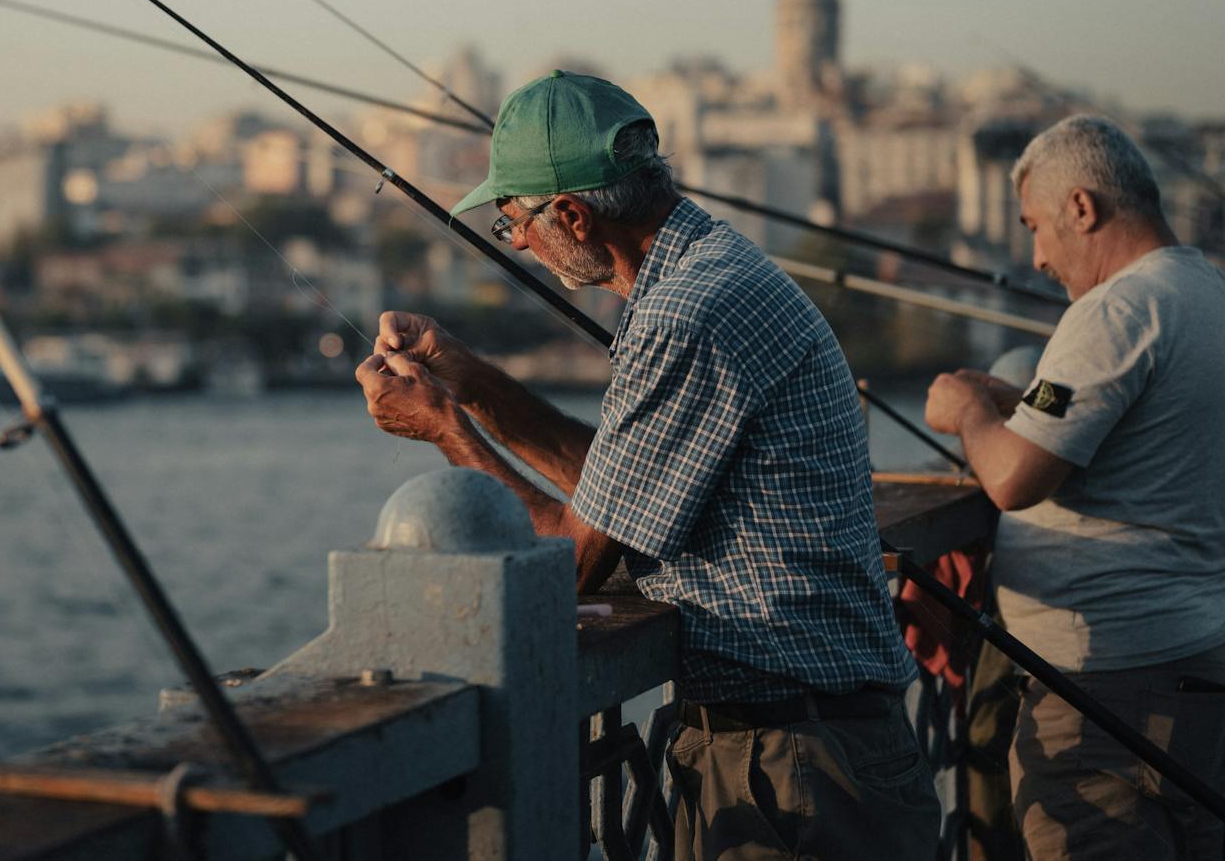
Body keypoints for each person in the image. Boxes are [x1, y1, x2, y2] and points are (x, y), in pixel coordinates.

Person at [355, 71, 939, 860]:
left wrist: (444, 428)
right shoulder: (714, 266)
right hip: (821, 748)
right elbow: (617, 486)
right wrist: (468, 377)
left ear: (572, 214)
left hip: (791, 772)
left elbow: (568, 560)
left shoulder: (686, 314)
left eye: (513, 220)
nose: (517, 242)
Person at [924, 115, 1225, 860]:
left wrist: (967, 410)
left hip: (1115, 693)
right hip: (1211, 658)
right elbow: (1141, 438)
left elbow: (1012, 477)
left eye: (1036, 227)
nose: (1037, 255)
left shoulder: (1118, 309)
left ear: (1082, 208)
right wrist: (1014, 403)